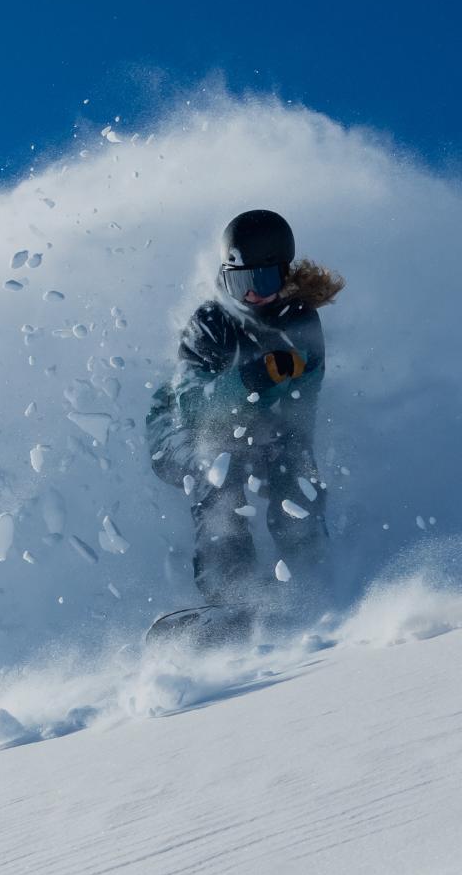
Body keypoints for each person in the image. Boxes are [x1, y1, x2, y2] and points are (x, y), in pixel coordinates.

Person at [147, 209, 345, 604]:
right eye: (239, 281)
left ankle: (312, 578)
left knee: (294, 468)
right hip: (179, 428)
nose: (251, 293)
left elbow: (299, 414)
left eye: (263, 279)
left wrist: (292, 463)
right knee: (218, 470)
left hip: (256, 424)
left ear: (285, 274)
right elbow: (192, 407)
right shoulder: (210, 322)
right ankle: (230, 593)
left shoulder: (301, 324)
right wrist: (253, 379)